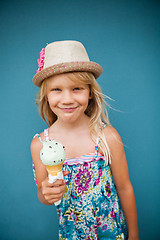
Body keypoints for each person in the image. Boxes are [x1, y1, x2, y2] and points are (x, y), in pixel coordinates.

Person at [31, 40, 139, 239]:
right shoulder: (40, 144)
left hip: (112, 233)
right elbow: (43, 193)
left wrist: (134, 235)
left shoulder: (107, 136)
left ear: (90, 92)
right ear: (45, 95)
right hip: (72, 234)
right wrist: (46, 194)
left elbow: (124, 187)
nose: (67, 99)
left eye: (77, 89)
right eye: (56, 90)